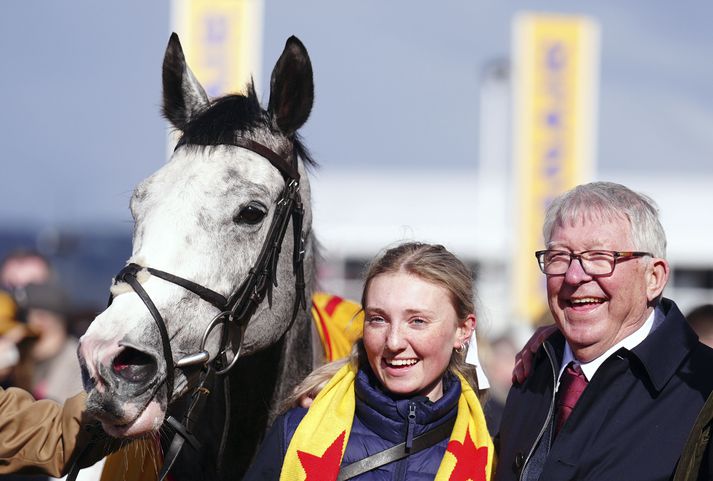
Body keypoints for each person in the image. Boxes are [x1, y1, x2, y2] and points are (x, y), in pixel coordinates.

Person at [495, 181, 713, 481]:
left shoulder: (701, 391)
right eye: (559, 257)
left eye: (600, 258)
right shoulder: (533, 371)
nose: (574, 276)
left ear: (654, 277)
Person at [243, 242, 495, 480]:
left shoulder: (494, 456)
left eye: (417, 321)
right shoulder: (298, 429)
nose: (394, 342)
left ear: (463, 329)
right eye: (378, 319)